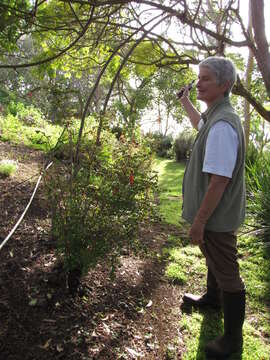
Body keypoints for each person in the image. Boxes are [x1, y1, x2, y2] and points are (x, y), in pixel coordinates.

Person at [178, 56, 246, 358]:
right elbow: (199, 124)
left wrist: (199, 221)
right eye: (198, 77)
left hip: (216, 216)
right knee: (213, 258)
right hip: (214, 216)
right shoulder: (217, 116)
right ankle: (212, 299)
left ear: (225, 85)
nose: (198, 83)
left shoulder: (223, 125)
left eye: (205, 79)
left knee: (227, 271)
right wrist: (187, 102)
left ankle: (232, 340)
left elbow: (219, 180)